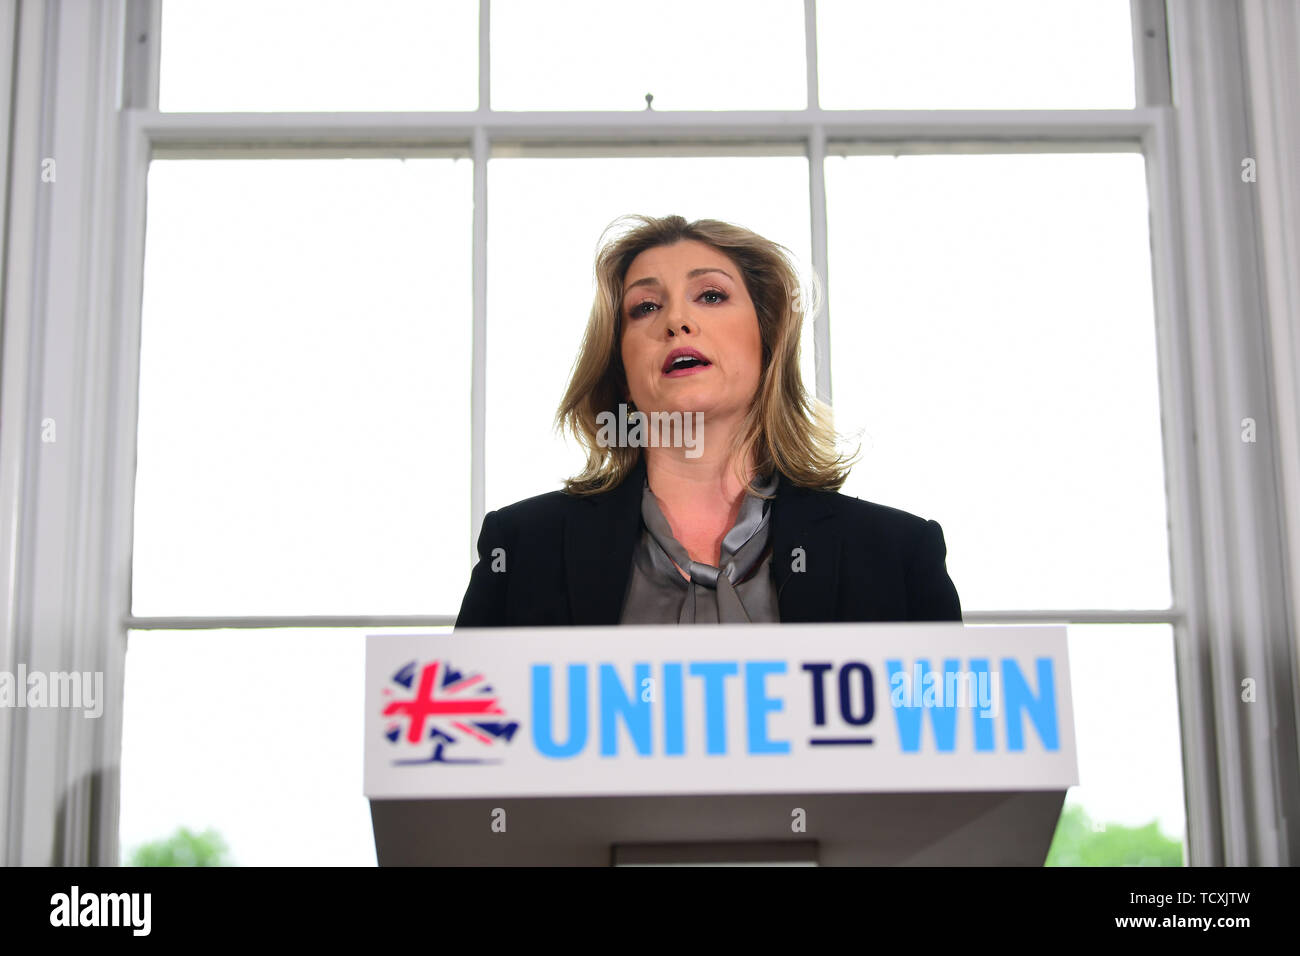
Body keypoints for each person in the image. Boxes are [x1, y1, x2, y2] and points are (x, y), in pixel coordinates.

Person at [455, 213, 961, 627]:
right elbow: (462, 738)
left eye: (711, 296)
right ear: (621, 368)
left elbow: (951, 743)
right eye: (645, 307)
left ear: (767, 338)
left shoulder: (898, 554)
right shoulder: (522, 548)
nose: (677, 320)